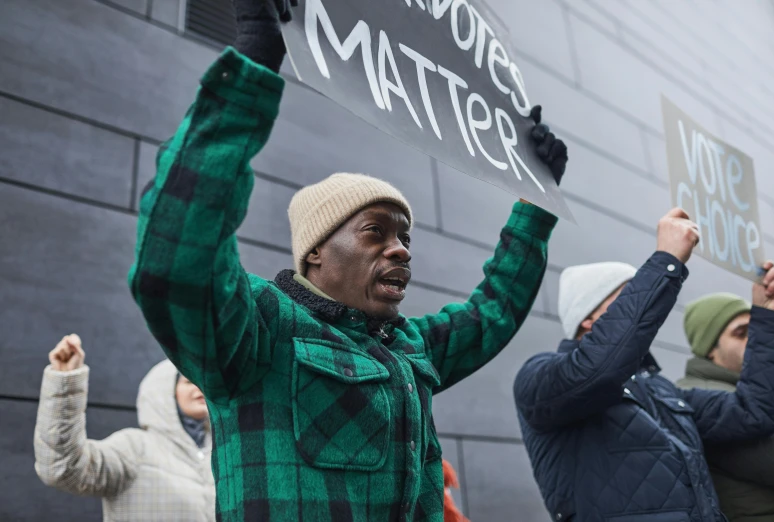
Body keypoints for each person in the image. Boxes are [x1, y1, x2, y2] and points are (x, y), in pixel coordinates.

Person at [127, 0, 569, 519]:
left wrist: (536, 201)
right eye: (374, 232)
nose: (400, 248)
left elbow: (491, 313)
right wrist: (252, 66)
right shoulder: (258, 332)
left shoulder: (410, 345)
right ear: (314, 251)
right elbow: (176, 264)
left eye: (405, 237)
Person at [513, 208, 774, 522]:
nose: (646, 300)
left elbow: (754, 412)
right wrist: (666, 260)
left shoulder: (660, 390)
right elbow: (598, 368)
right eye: (630, 295)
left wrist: (767, 318)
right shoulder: (539, 376)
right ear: (587, 317)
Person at [34, 334, 215, 522]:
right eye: (188, 381)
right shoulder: (135, 447)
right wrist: (66, 383)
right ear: (163, 391)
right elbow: (63, 468)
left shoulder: (218, 455)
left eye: (203, 382)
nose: (200, 388)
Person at [677, 291, 774, 521]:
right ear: (710, 350)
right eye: (742, 333)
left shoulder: (758, 393)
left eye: (757, 329)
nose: (756, 339)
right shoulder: (704, 396)